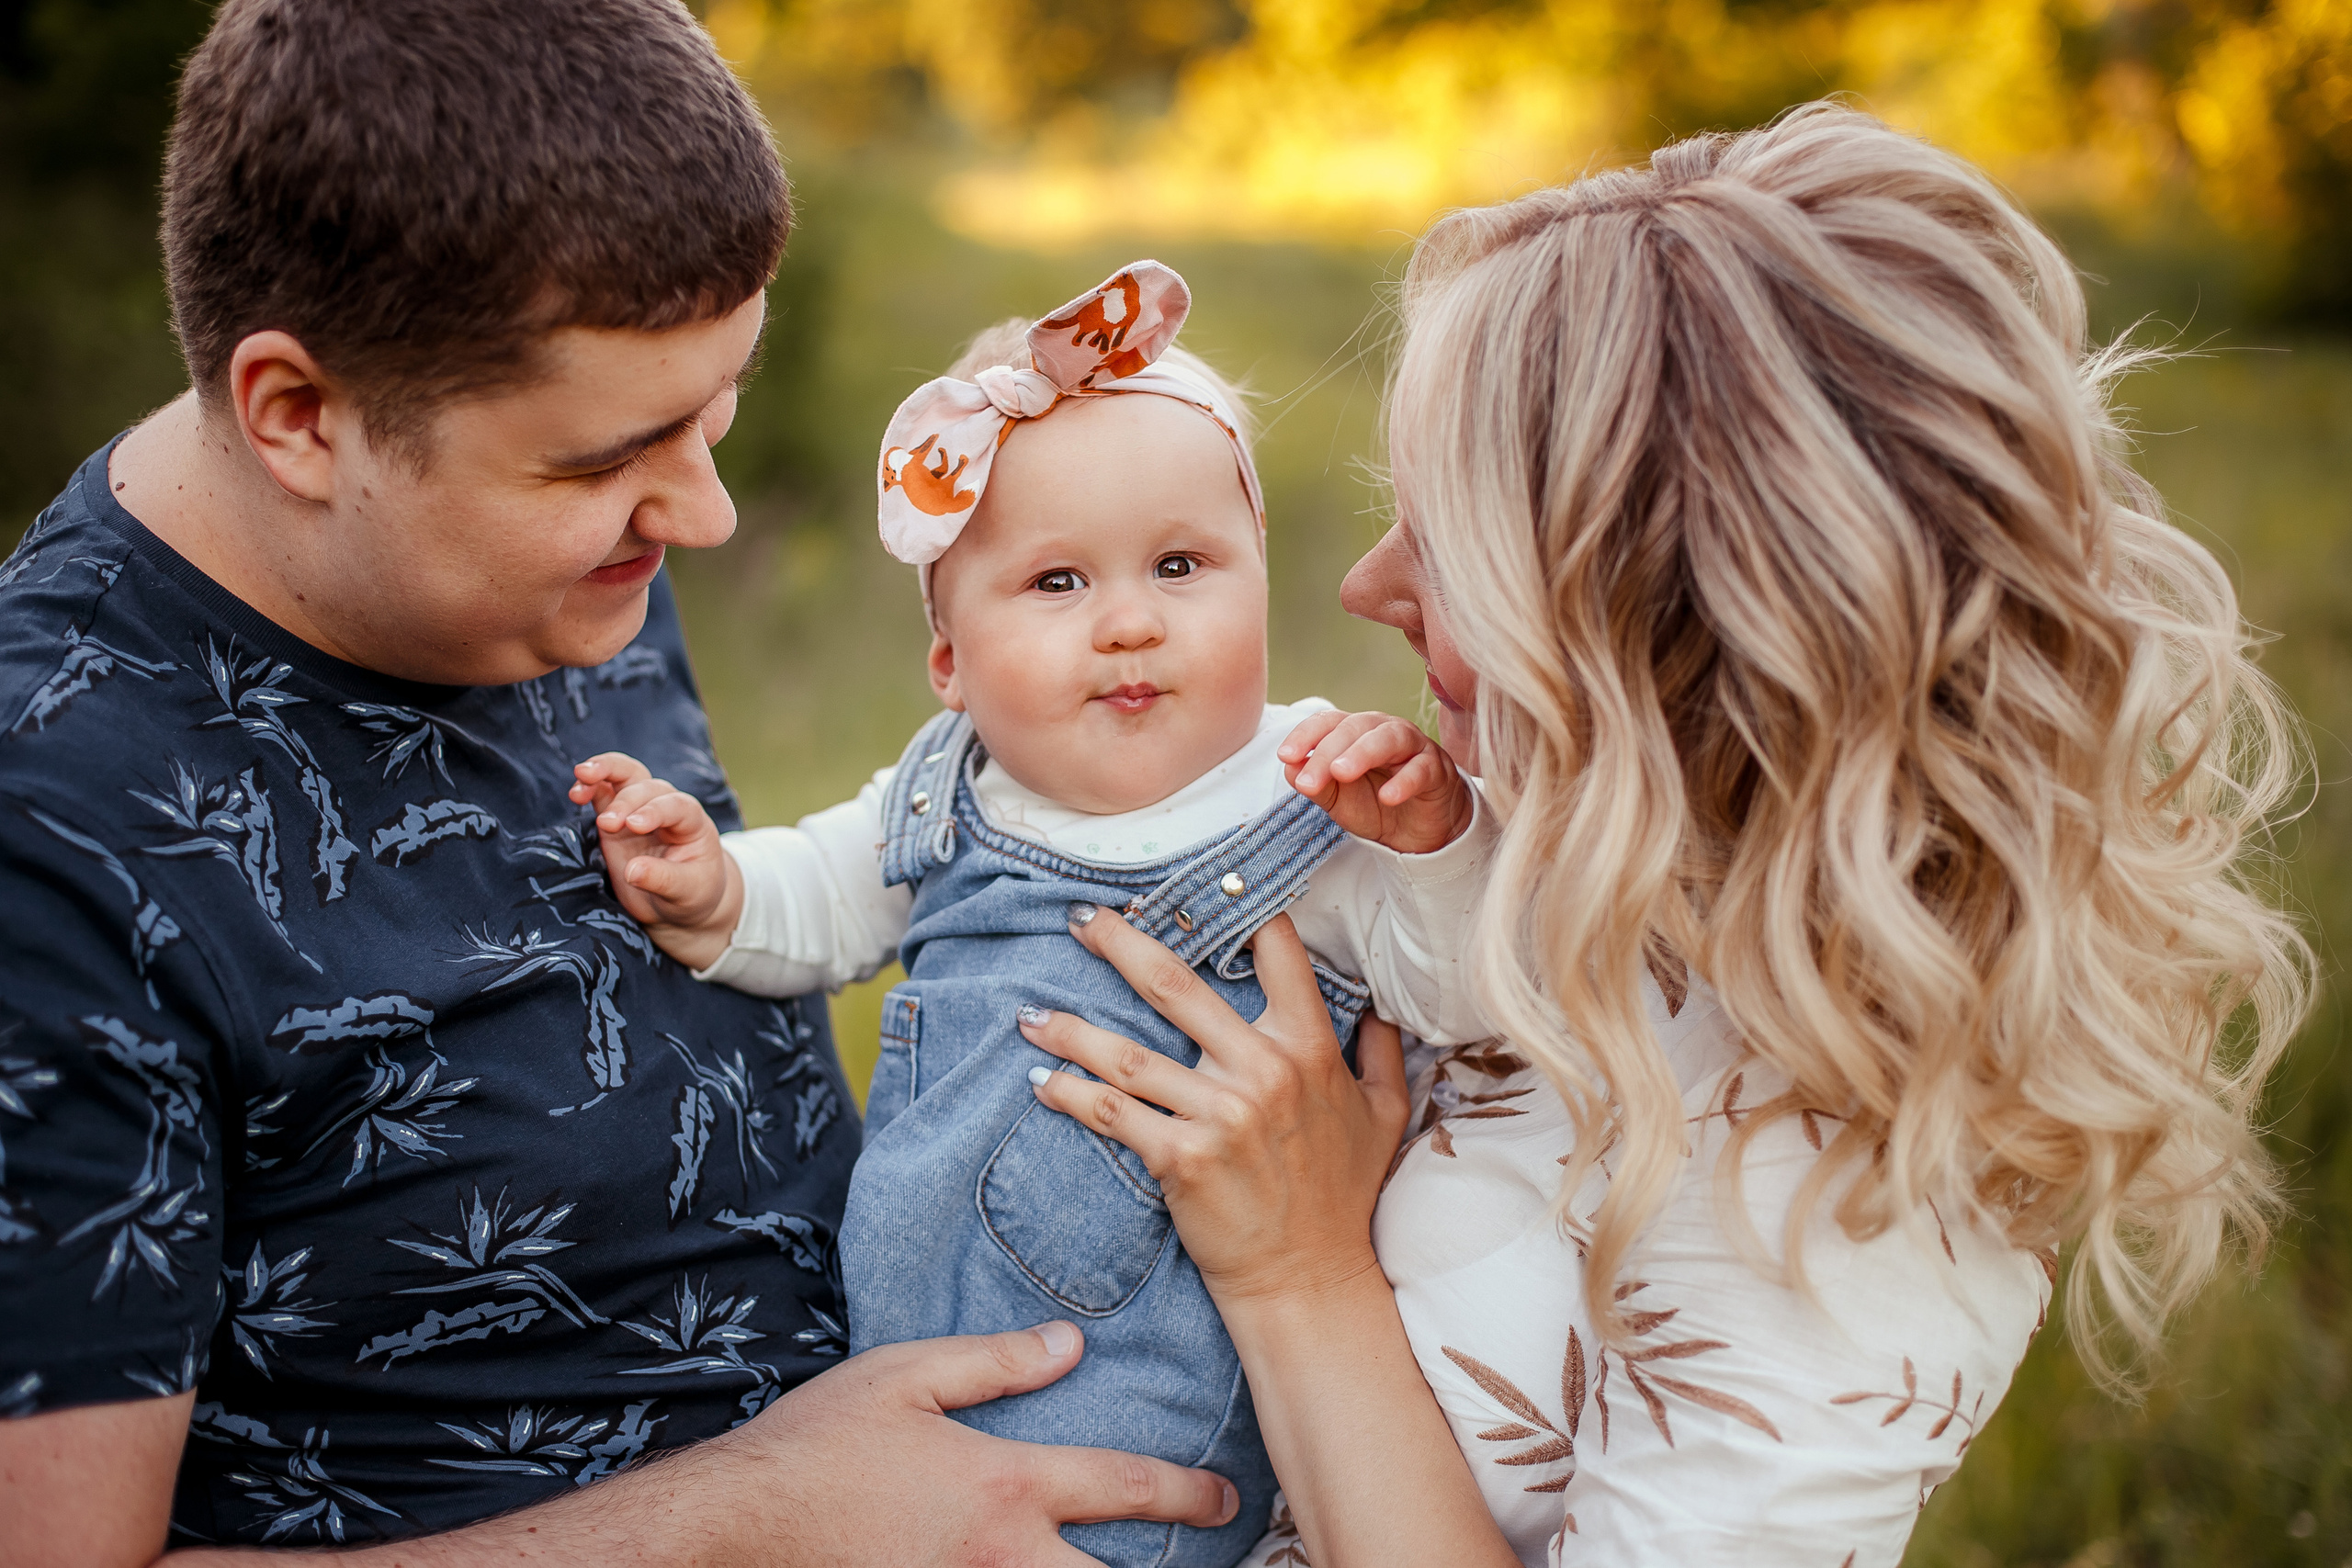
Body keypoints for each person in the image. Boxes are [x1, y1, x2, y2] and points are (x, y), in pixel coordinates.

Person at [0, 2, 1238, 1562]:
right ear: (300, 417)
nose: (706, 517)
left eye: (716, 414)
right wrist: (766, 1519)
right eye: (606, 461)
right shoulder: (50, 825)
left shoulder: (500, 547)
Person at [1012, 104, 2312, 1566]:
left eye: (1446, 543)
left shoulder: (1851, 1210)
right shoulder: (1543, 871)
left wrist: (1295, 1271)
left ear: (1661, 632)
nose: (1367, 585)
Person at [569, 259, 1496, 1568]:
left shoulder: (1312, 792)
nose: (1128, 622)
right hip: (903, 1408)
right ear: (949, 660)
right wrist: (714, 885)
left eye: (1182, 566)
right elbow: (819, 904)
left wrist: (1438, 847)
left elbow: (1458, 995)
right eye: (1058, 584)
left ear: (1261, 587)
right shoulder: (949, 789)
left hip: (1142, 1458)